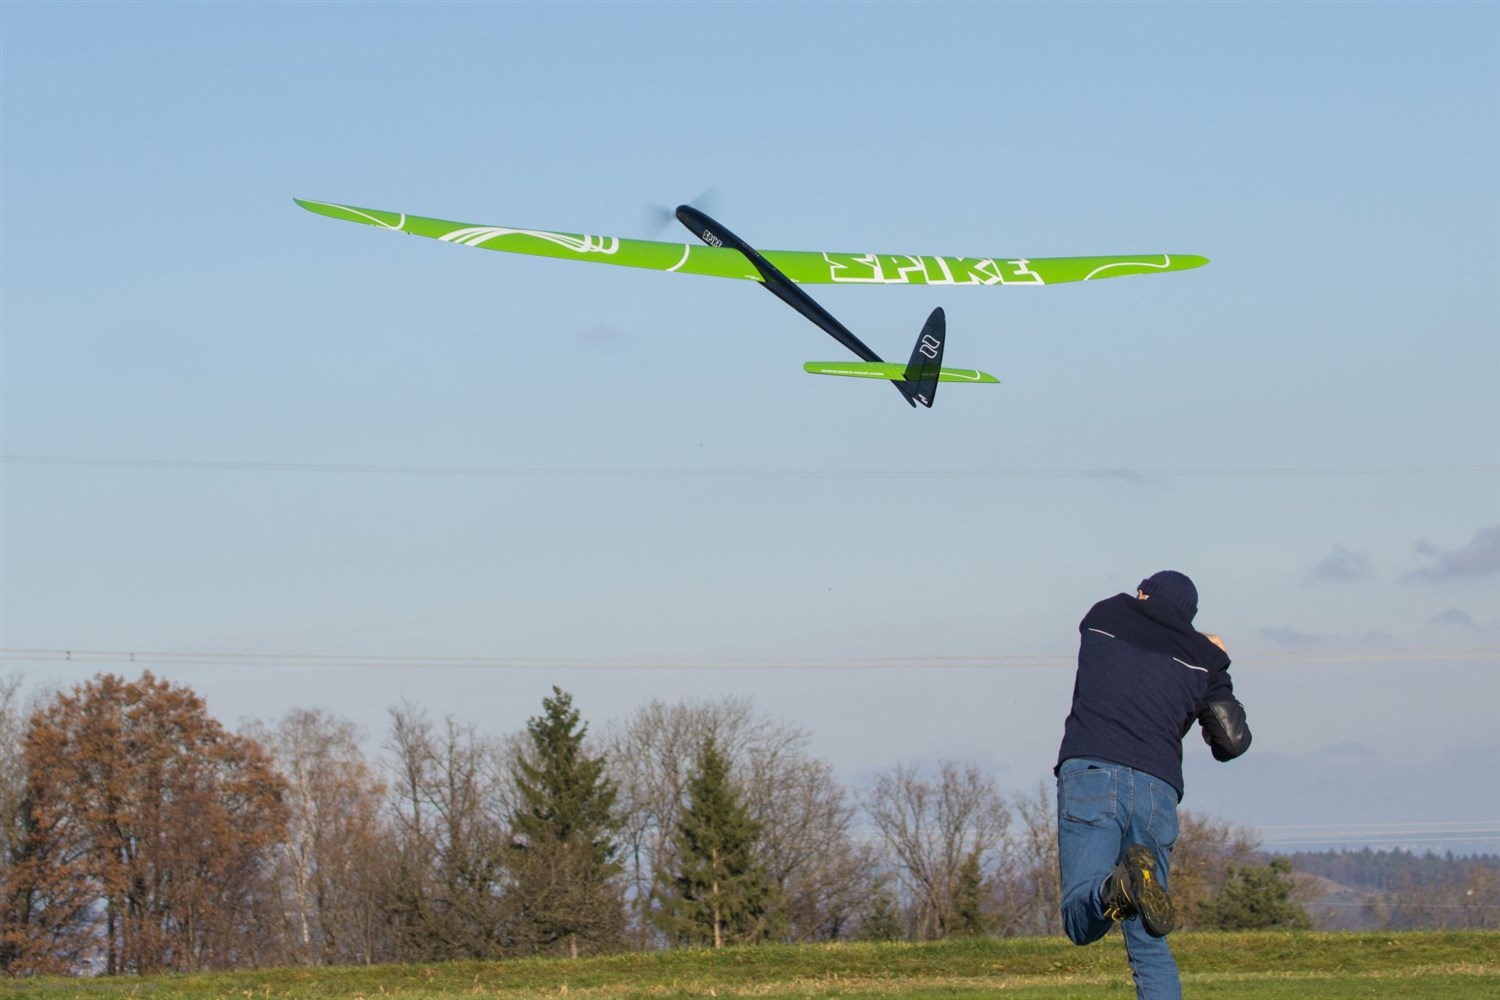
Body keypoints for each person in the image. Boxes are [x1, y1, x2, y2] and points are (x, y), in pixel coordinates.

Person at [1054, 570, 1251, 1000]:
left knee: (1079, 920)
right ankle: (1127, 889)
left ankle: (1114, 889)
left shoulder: (1104, 613)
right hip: (1156, 793)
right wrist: (1218, 662)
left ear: (1143, 593)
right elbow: (1232, 742)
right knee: (1150, 940)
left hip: (1092, 776)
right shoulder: (1204, 657)